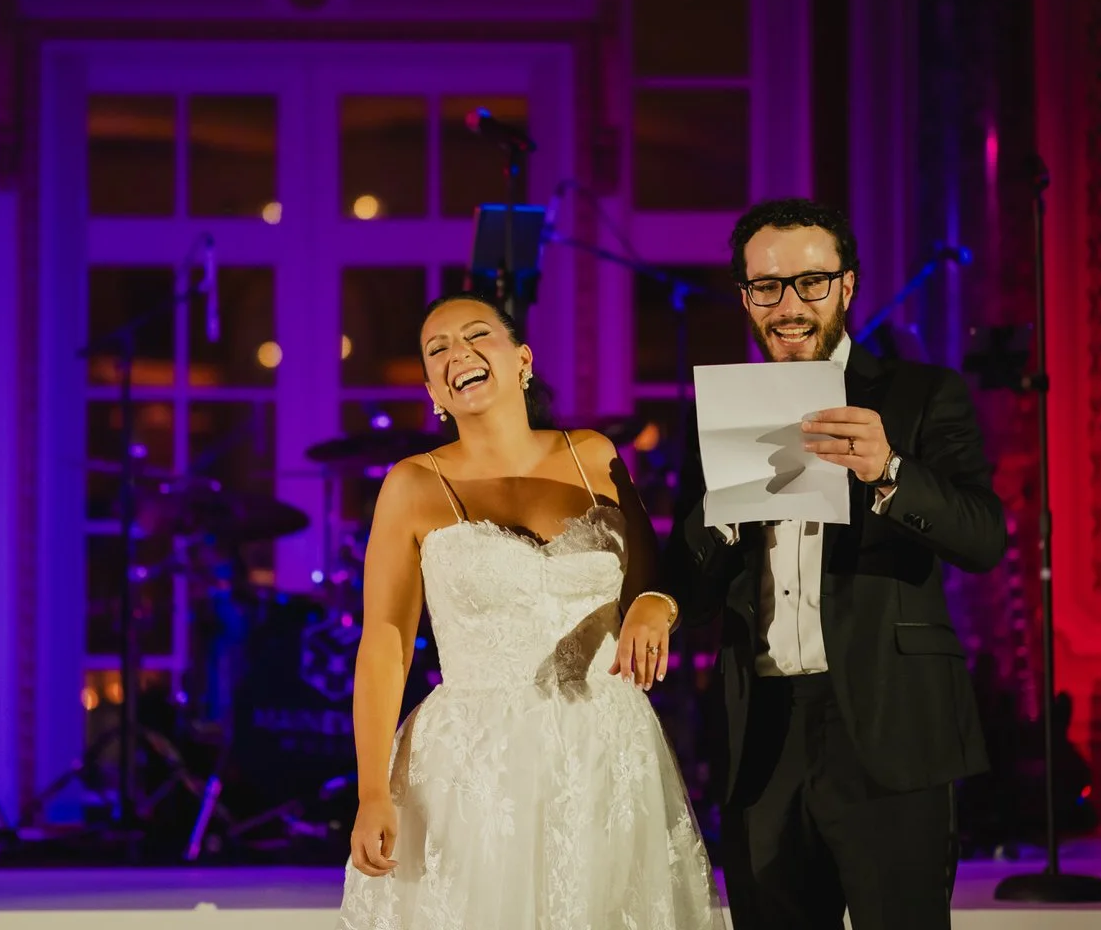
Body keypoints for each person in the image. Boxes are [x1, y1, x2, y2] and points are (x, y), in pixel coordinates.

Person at [662, 198, 1007, 929]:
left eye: (811, 283)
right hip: (762, 732)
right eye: (767, 287)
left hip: (889, 722)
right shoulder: (715, 412)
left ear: (847, 287)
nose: (789, 305)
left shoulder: (920, 394)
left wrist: (888, 471)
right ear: (746, 296)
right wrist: (718, 517)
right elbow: (686, 589)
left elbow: (983, 538)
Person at [335, 292, 721, 928]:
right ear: (433, 388)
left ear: (522, 360)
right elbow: (384, 640)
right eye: (438, 349)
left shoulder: (593, 454)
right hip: (476, 764)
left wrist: (656, 605)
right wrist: (372, 790)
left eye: (476, 335)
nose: (458, 353)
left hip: (605, 745)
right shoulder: (411, 484)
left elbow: (654, 577)